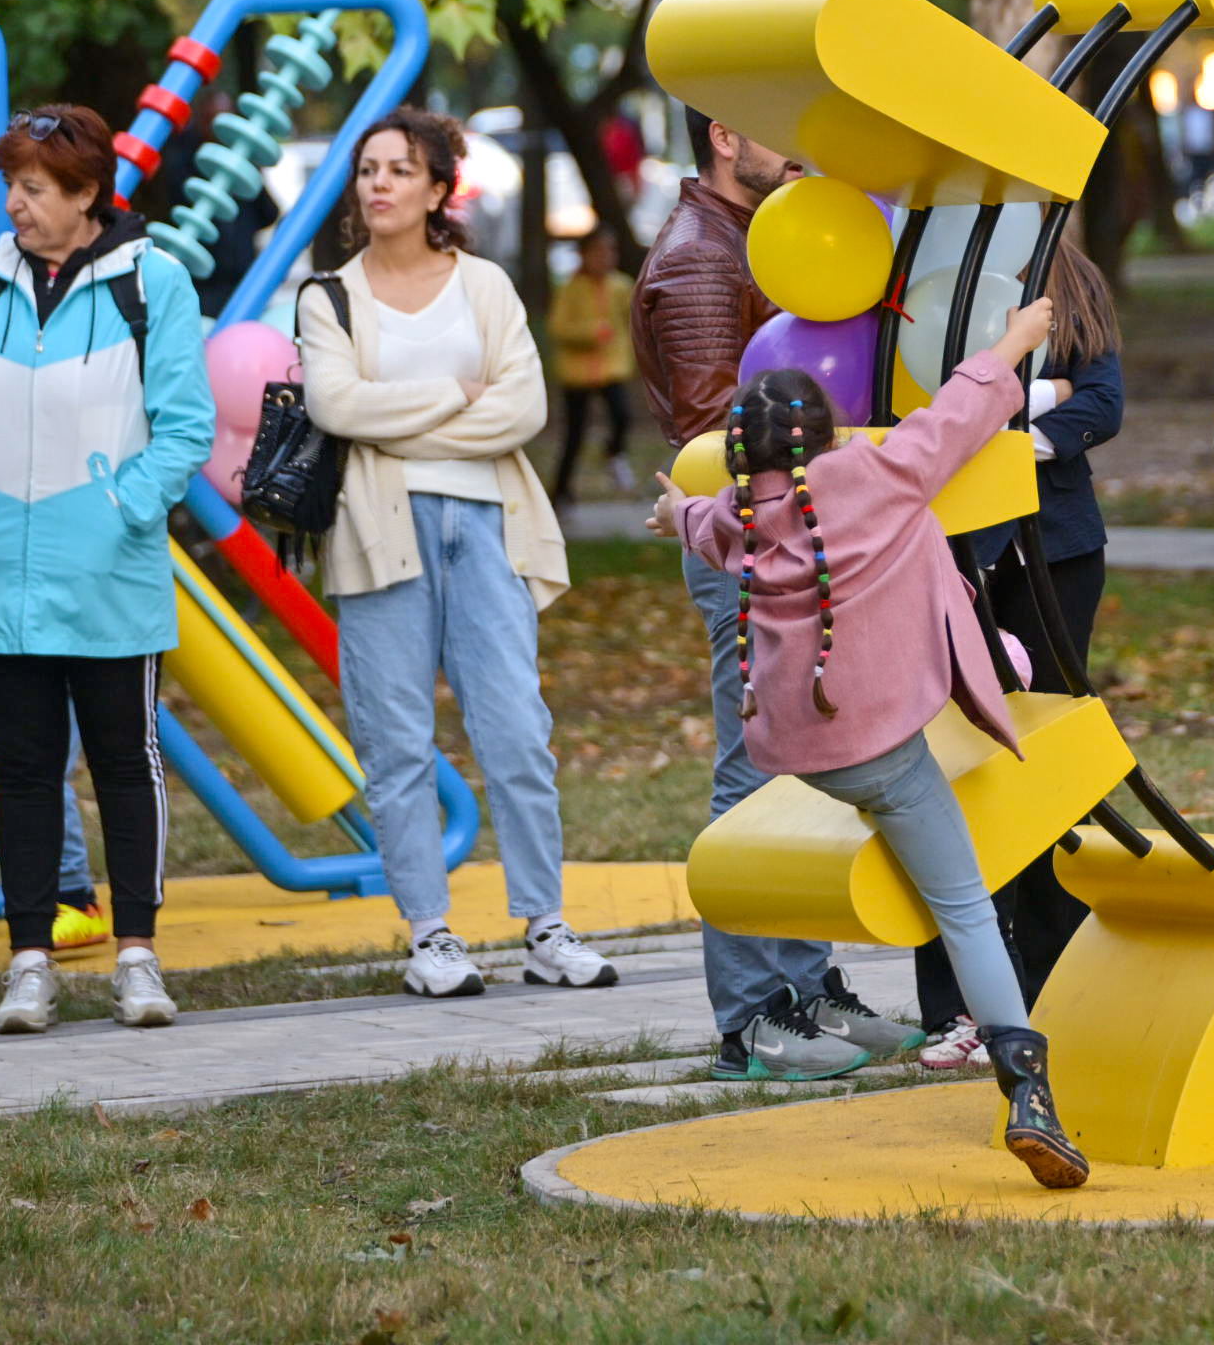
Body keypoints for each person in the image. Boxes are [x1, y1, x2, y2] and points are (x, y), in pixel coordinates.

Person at [660, 304, 1091, 1191]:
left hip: (796, 754)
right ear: (825, 439)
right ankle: (1027, 1089)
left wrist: (676, 509)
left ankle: (797, 1003)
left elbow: (699, 522)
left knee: (890, 824)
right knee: (964, 902)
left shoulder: (739, 519)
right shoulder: (874, 476)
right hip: (884, 749)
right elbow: (958, 414)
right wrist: (1014, 339)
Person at [0, 105, 216, 1034]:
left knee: (127, 763)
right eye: (10, 185)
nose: (14, 203)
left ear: (87, 195)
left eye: (33, 188)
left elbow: (187, 427)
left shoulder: (151, 283)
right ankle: (29, 963)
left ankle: (137, 958)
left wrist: (119, 511)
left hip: (109, 576)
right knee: (24, 771)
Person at [299, 108, 615, 998]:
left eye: (401, 170)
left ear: (440, 188)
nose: (380, 185)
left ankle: (545, 923)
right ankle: (431, 935)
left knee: (517, 730)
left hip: (489, 529)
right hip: (377, 536)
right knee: (395, 740)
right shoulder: (328, 296)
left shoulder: (484, 286)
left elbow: (522, 410)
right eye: (368, 170)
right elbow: (335, 407)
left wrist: (396, 416)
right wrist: (451, 395)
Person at [632, 111, 901, 1080]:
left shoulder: (773, 237)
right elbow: (716, 429)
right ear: (721, 135)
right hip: (746, 538)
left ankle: (805, 989)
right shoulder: (703, 260)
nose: (799, 139)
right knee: (754, 776)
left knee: (805, 769)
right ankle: (750, 1019)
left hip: (792, 532)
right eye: (773, 123)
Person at [917, 242, 1126, 1072]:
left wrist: (1003, 431)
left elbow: (1104, 404)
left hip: (1058, 551)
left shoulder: (1065, 273)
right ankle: (956, 1005)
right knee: (951, 767)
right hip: (950, 555)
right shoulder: (935, 274)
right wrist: (1040, 398)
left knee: (1042, 761)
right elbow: (918, 416)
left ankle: (1055, 978)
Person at [546, 226, 637, 504]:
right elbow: (558, 328)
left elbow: (632, 320)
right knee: (574, 434)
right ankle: (561, 492)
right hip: (578, 373)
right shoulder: (570, 288)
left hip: (611, 368)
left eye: (609, 252)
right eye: (597, 252)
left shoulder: (620, 286)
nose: (604, 258)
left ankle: (613, 453)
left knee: (623, 416)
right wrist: (590, 332)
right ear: (583, 255)